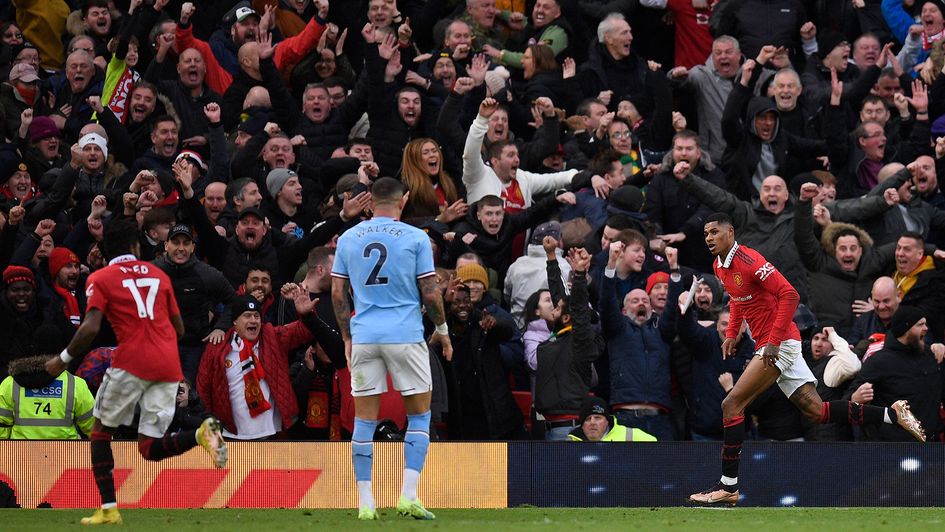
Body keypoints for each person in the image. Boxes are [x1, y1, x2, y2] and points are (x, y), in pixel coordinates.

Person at [688, 212, 926, 506]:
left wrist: (774, 342)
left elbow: (790, 294)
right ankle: (893, 414)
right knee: (817, 411)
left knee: (731, 404)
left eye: (714, 232)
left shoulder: (749, 260)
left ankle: (728, 486)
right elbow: (738, 300)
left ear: (730, 232)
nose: (709, 238)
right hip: (774, 343)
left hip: (780, 344)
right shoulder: (719, 266)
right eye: (706, 234)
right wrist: (731, 333)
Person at [42, 219, 227, 525]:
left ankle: (109, 508)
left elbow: (90, 327)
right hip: (167, 364)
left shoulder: (101, 278)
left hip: (131, 361)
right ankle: (200, 433)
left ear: (106, 249)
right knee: (148, 448)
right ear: (136, 247)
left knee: (100, 432)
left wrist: (62, 360)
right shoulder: (159, 274)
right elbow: (179, 328)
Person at [330, 177, 452, 521]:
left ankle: (365, 502)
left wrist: (347, 337)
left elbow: (338, 294)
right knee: (419, 416)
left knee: (364, 421)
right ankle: (408, 495)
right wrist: (442, 331)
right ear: (405, 199)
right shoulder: (416, 237)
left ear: (370, 203)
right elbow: (430, 291)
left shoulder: (349, 237)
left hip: (365, 334)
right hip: (405, 334)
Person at [566, 396, 656, 442]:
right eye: (588, 419)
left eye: (598, 418)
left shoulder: (630, 435)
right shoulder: (570, 443)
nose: (592, 422)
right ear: (582, 425)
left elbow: (659, 451)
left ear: (607, 421)